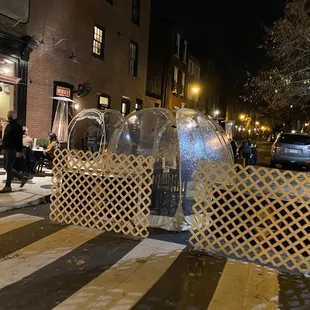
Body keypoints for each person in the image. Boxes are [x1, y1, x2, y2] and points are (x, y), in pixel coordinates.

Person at [0, 110, 28, 193]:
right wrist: (3, 148)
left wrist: (19, 150)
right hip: (7, 149)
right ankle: (21, 177)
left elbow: (19, 140)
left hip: (12, 149)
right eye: (8, 114)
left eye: (10, 115)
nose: (8, 116)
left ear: (14, 116)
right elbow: (5, 138)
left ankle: (8, 186)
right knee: (6, 167)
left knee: (8, 167)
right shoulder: (9, 125)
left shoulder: (17, 127)